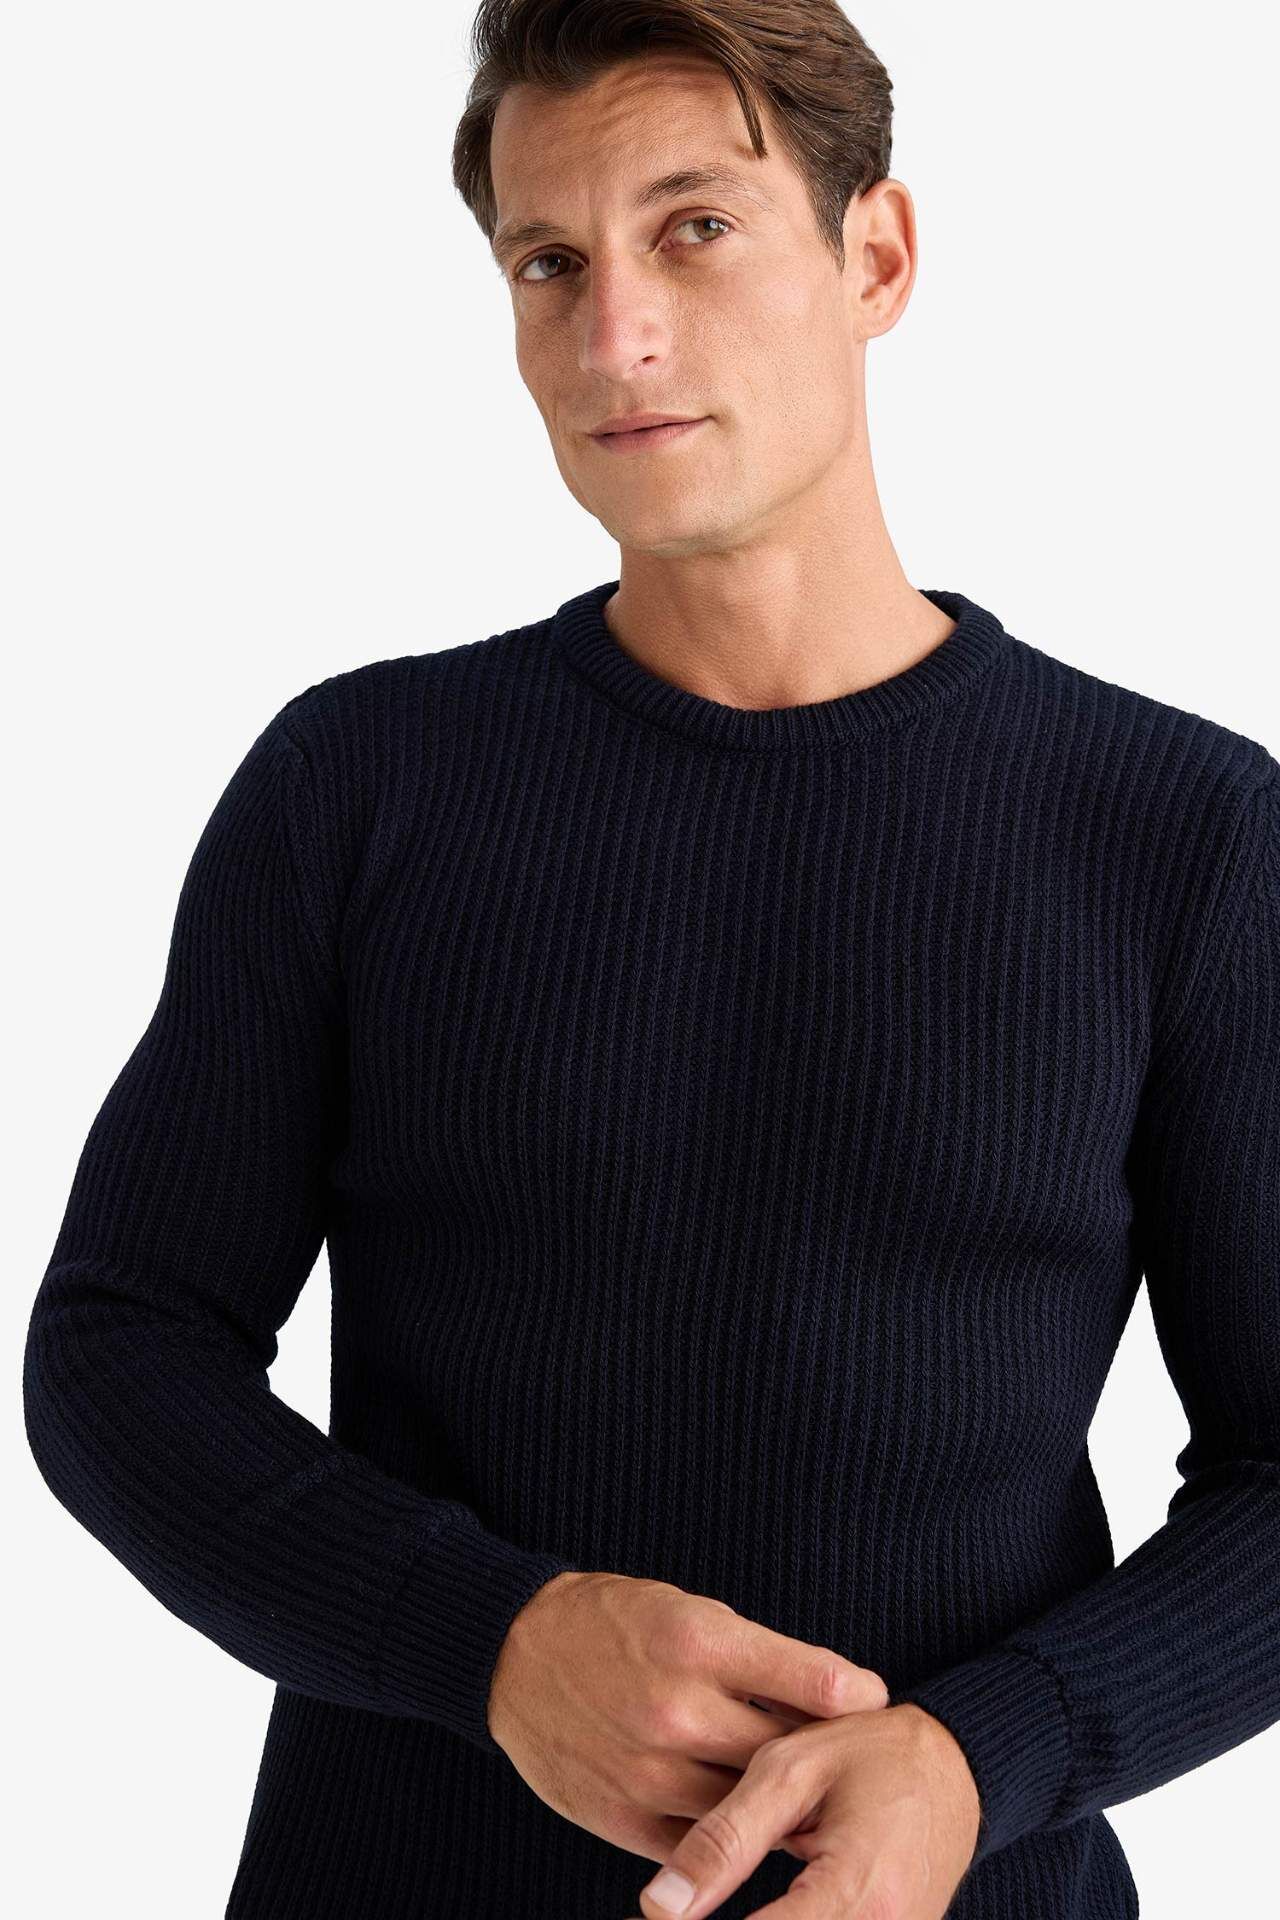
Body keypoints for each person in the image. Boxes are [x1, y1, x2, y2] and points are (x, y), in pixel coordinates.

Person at [23, 4, 1278, 1917]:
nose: (615, 337)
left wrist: (981, 1758)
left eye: (695, 228)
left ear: (876, 258)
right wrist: (493, 1640)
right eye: (550, 262)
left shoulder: (1182, 830)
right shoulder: (359, 785)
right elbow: (120, 1351)